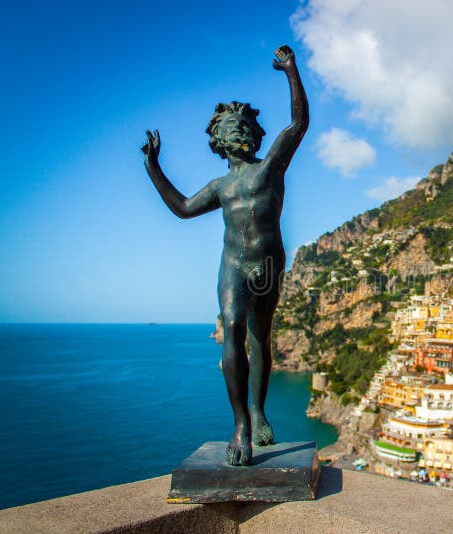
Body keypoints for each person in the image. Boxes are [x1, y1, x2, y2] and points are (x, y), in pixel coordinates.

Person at [142, 45, 308, 466]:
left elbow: (298, 123)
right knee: (233, 329)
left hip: (269, 265)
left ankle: (258, 409)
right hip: (233, 265)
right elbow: (181, 208)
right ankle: (241, 427)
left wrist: (291, 70)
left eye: (241, 125)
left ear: (251, 134)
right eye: (229, 126)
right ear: (220, 140)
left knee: (260, 339)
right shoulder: (220, 186)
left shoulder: (271, 166)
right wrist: (153, 169)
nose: (237, 132)